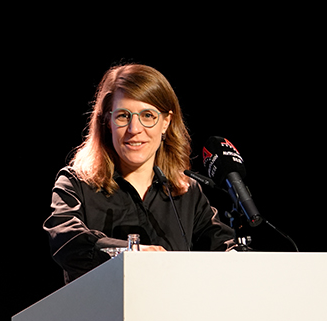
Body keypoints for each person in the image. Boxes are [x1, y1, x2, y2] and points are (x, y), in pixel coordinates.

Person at [43, 63, 236, 282]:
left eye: (148, 115)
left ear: (166, 122)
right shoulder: (76, 183)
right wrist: (130, 254)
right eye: (123, 116)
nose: (134, 129)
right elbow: (67, 240)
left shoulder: (187, 192)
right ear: (107, 122)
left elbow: (223, 249)